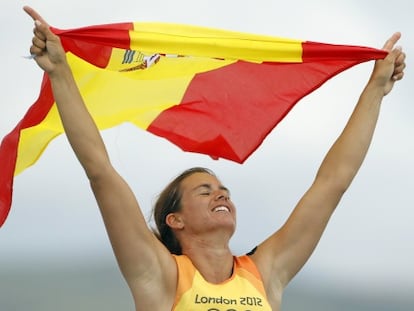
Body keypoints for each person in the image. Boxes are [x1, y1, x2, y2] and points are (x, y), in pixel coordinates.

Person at [24, 5, 406, 311]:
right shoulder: (158, 275)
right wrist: (60, 71)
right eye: (205, 192)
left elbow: (331, 184)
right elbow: (100, 172)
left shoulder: (266, 272)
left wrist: (375, 89)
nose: (222, 195)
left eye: (223, 189)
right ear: (175, 220)